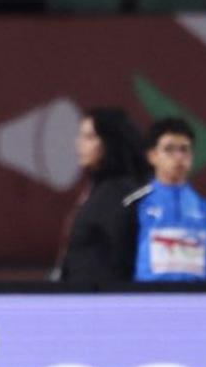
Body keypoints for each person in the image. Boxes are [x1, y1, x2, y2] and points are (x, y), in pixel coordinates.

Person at [54, 107, 147, 287]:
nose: (78, 143)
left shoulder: (123, 193)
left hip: (102, 299)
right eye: (80, 136)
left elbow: (123, 258)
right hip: (79, 295)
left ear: (110, 142)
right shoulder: (97, 189)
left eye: (89, 137)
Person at [132, 117, 206, 282]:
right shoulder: (135, 205)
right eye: (169, 149)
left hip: (196, 296)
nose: (178, 157)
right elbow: (121, 264)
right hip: (149, 296)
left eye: (184, 149)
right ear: (152, 156)